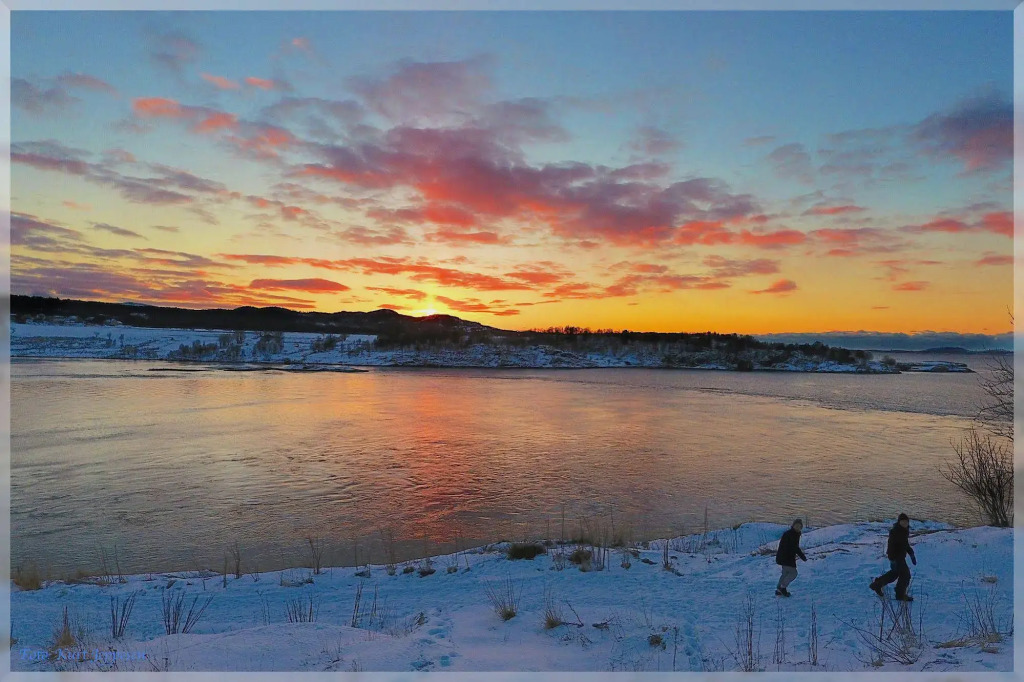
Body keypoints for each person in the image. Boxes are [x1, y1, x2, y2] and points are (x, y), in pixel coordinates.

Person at [870, 513, 917, 601]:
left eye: (906, 522)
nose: (905, 523)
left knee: (894, 574)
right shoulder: (896, 531)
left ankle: (877, 585)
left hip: (898, 557)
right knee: (905, 575)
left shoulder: (904, 531)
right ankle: (900, 595)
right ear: (899, 522)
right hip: (896, 558)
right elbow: (891, 545)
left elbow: (905, 545)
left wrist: (911, 554)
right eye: (903, 521)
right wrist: (893, 558)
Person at [775, 518, 807, 597]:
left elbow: (793, 547)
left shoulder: (793, 533)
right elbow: (795, 547)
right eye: (796, 525)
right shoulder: (792, 534)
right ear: (793, 525)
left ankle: (779, 589)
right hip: (786, 557)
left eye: (799, 526)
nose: (798, 527)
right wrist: (802, 556)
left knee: (785, 573)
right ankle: (782, 588)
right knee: (793, 573)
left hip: (784, 557)